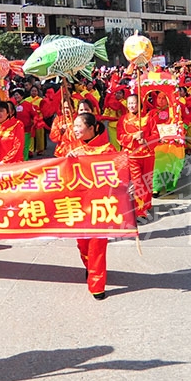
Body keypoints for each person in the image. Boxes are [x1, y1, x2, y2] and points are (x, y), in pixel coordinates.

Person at [68, 112, 113, 299]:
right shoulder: (73, 149)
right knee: (83, 244)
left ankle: (97, 284)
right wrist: (68, 161)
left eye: (79, 126)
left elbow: (117, 178)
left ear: (92, 127)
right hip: (77, 204)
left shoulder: (108, 150)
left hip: (99, 206)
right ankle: (90, 266)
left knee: (97, 246)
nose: (75, 130)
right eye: (74, 126)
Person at [118, 93, 159, 221]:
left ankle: (146, 204)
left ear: (139, 104)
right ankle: (138, 209)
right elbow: (119, 137)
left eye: (134, 103)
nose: (131, 105)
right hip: (132, 155)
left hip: (147, 154)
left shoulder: (148, 119)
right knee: (136, 183)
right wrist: (133, 136)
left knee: (147, 181)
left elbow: (156, 135)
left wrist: (146, 139)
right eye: (129, 103)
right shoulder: (123, 120)